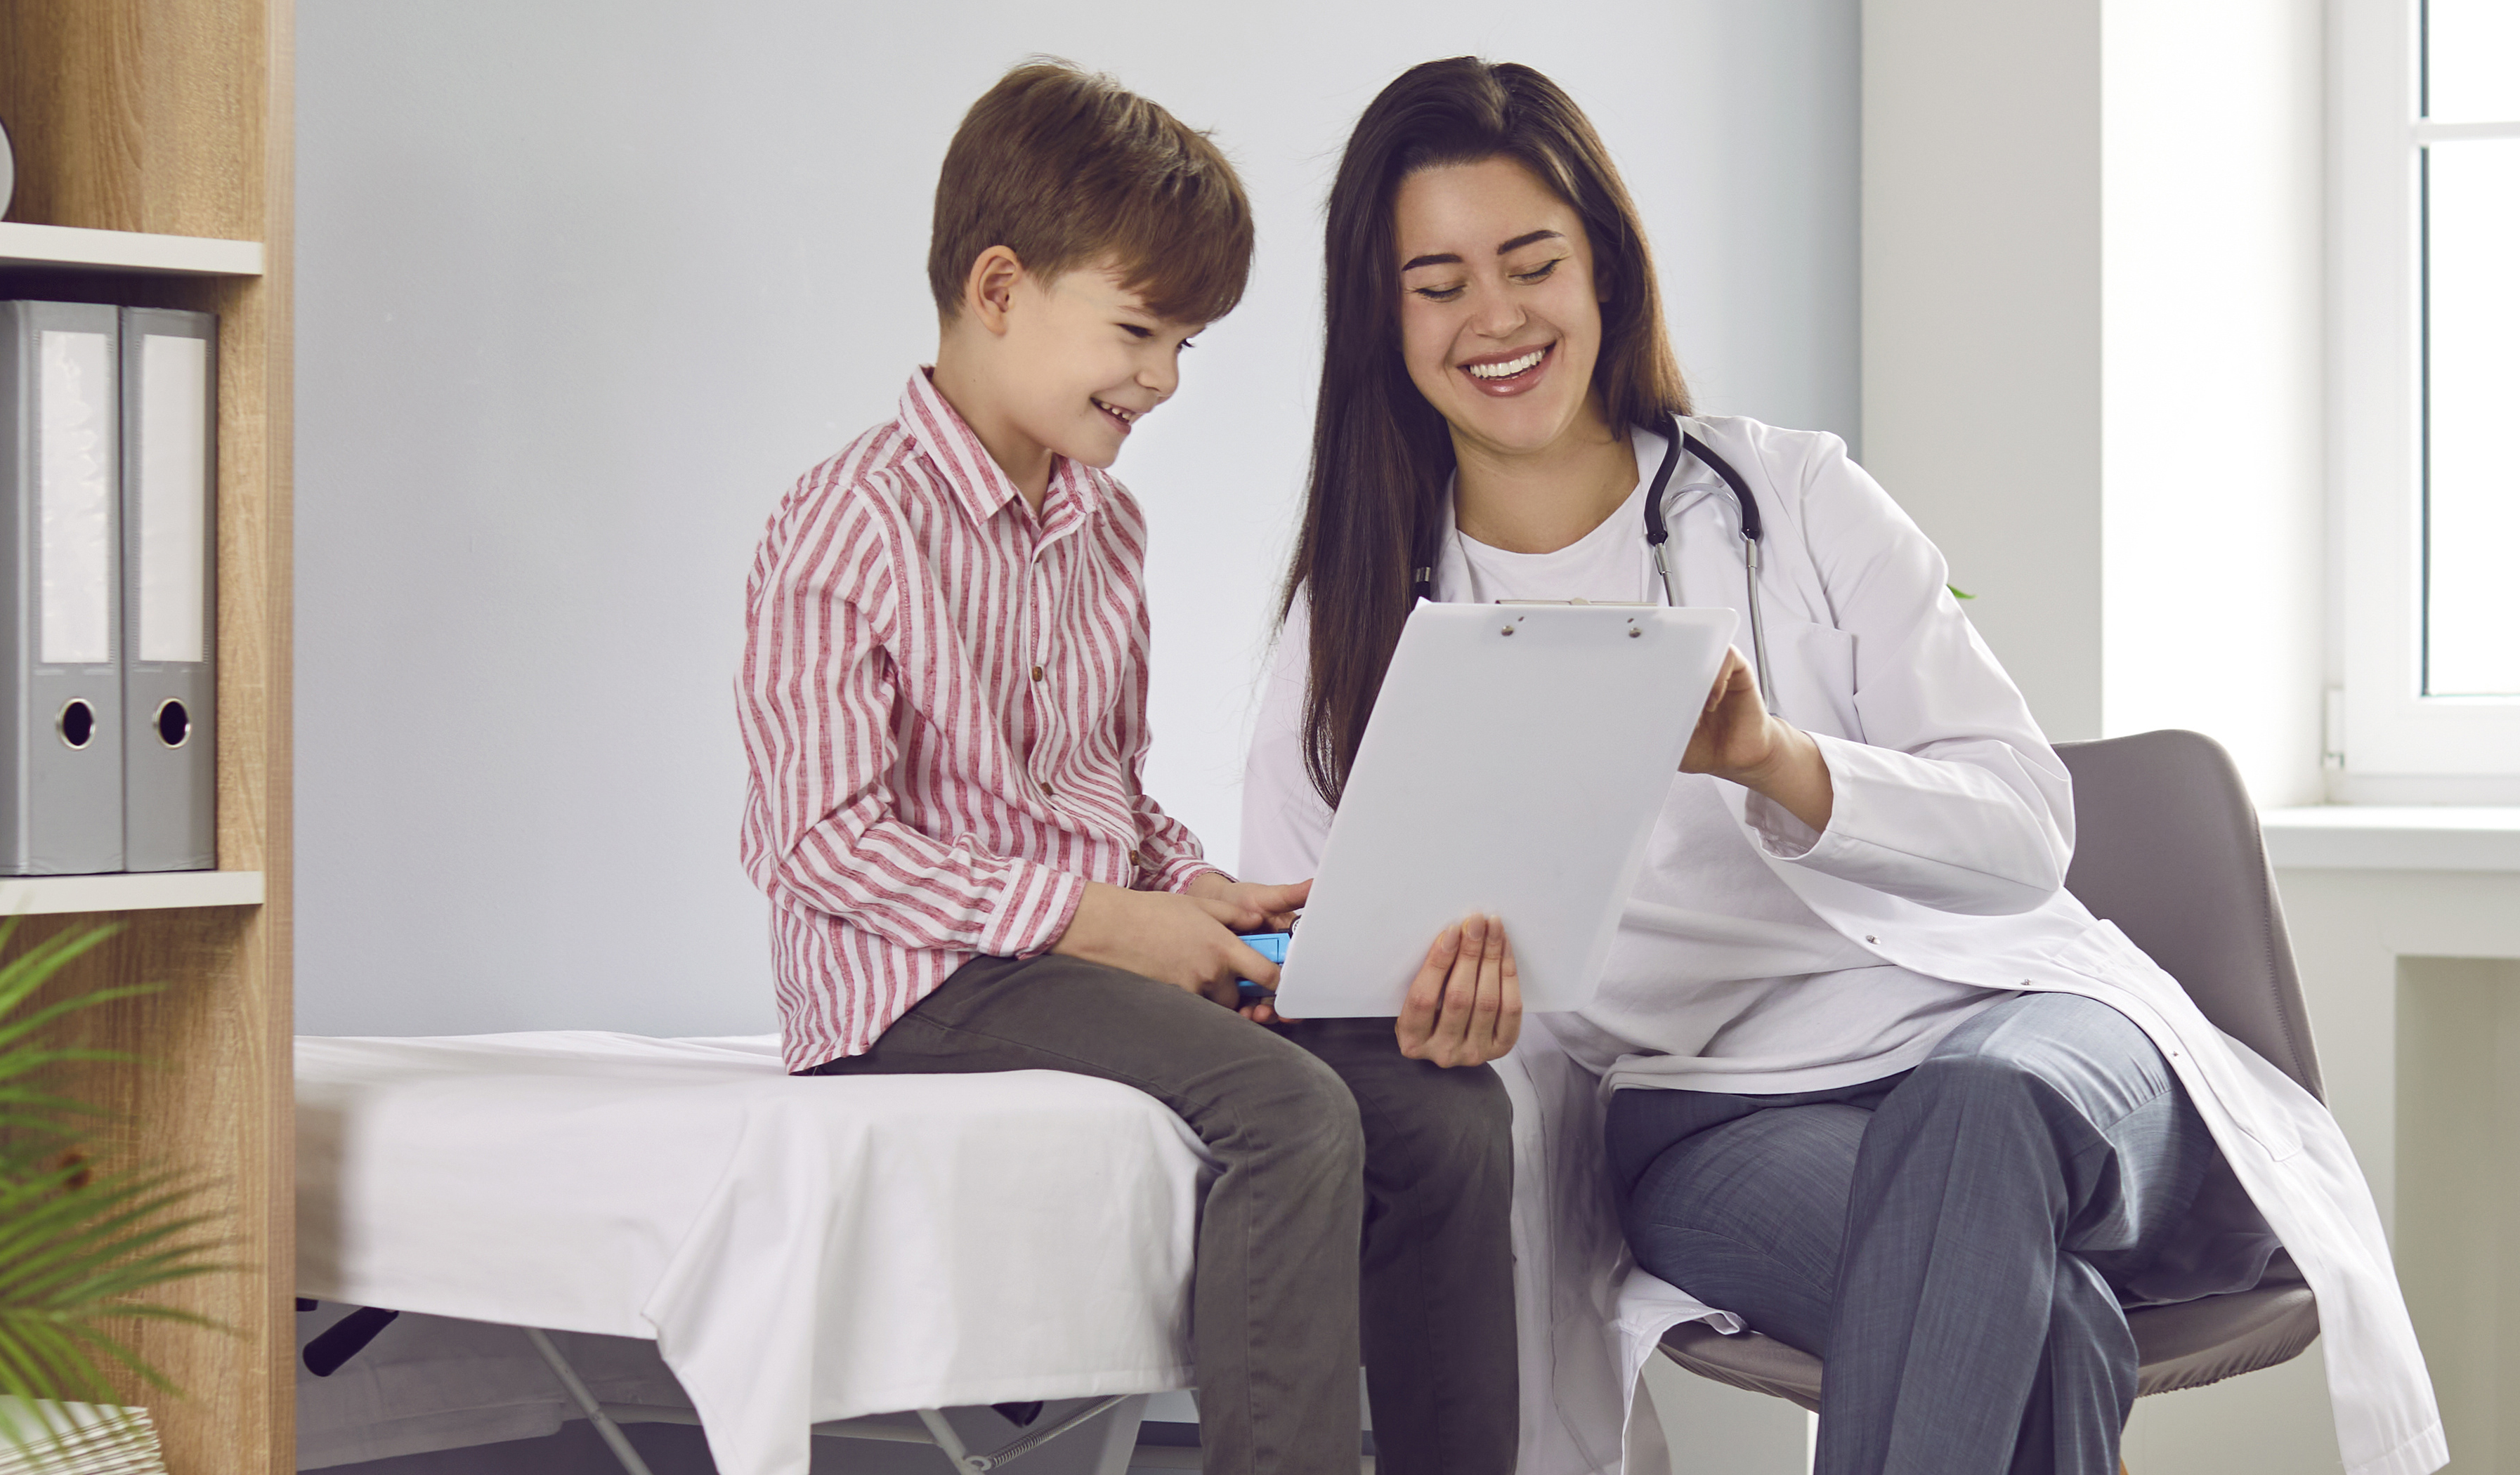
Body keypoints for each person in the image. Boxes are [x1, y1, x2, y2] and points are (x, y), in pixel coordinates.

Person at [1237, 55, 2443, 1475]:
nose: (1494, 317)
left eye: (1530, 261)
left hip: (2019, 1035)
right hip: (1711, 1118)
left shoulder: (1793, 500)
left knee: (1974, 1122)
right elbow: (1301, 943)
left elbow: (2024, 831)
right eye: (1437, 283)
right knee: (2040, 1331)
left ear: (1604, 270)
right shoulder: (1358, 615)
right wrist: (1417, 1010)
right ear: (1383, 320)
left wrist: (1776, 758)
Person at [736, 60, 1521, 1475]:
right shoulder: (845, 524)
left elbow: (1103, 790)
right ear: (997, 290)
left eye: (1186, 347)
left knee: (1448, 1109)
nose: (1161, 379)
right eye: (1141, 332)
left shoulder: (1106, 530)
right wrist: (1112, 923)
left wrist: (1204, 893)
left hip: (1079, 960)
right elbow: (815, 843)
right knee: (1287, 1111)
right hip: (916, 983)